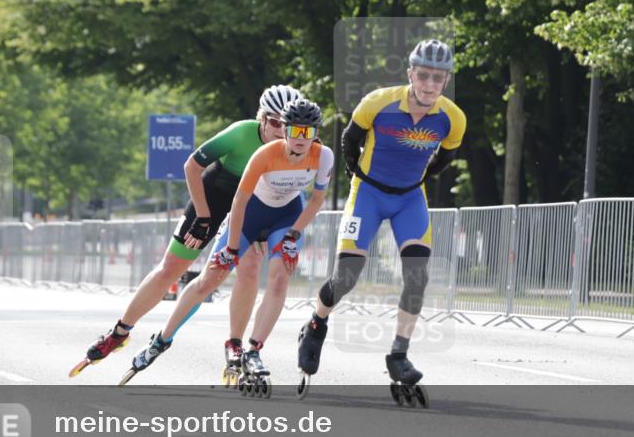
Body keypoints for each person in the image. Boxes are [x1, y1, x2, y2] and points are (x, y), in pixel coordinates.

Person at [69, 85, 302, 376]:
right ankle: (119, 332)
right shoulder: (241, 133)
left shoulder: (295, 147)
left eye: (288, 124)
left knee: (250, 267)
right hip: (214, 196)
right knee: (171, 268)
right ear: (262, 119)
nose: (282, 131)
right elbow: (191, 166)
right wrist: (203, 216)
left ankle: (235, 344)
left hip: (252, 204)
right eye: (276, 123)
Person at [296, 39, 465, 397]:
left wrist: (414, 181)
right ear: (410, 74)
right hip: (368, 194)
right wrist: (359, 175)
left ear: (446, 80)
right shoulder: (379, 102)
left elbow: (444, 160)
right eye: (423, 76)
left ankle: (399, 354)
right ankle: (316, 324)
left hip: (409, 199)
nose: (429, 85)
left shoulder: (452, 118)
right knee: (346, 277)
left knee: (417, 276)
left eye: (438, 78)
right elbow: (349, 140)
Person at [123, 97, 333, 385]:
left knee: (280, 277)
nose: (301, 139)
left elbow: (316, 201)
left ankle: (254, 350)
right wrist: (232, 247)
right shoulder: (265, 154)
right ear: (284, 130)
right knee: (211, 278)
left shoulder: (324, 156)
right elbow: (240, 200)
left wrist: (293, 234)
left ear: (316, 133)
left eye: (308, 132)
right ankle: (162, 339)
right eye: (295, 131)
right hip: (250, 212)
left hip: (287, 216)